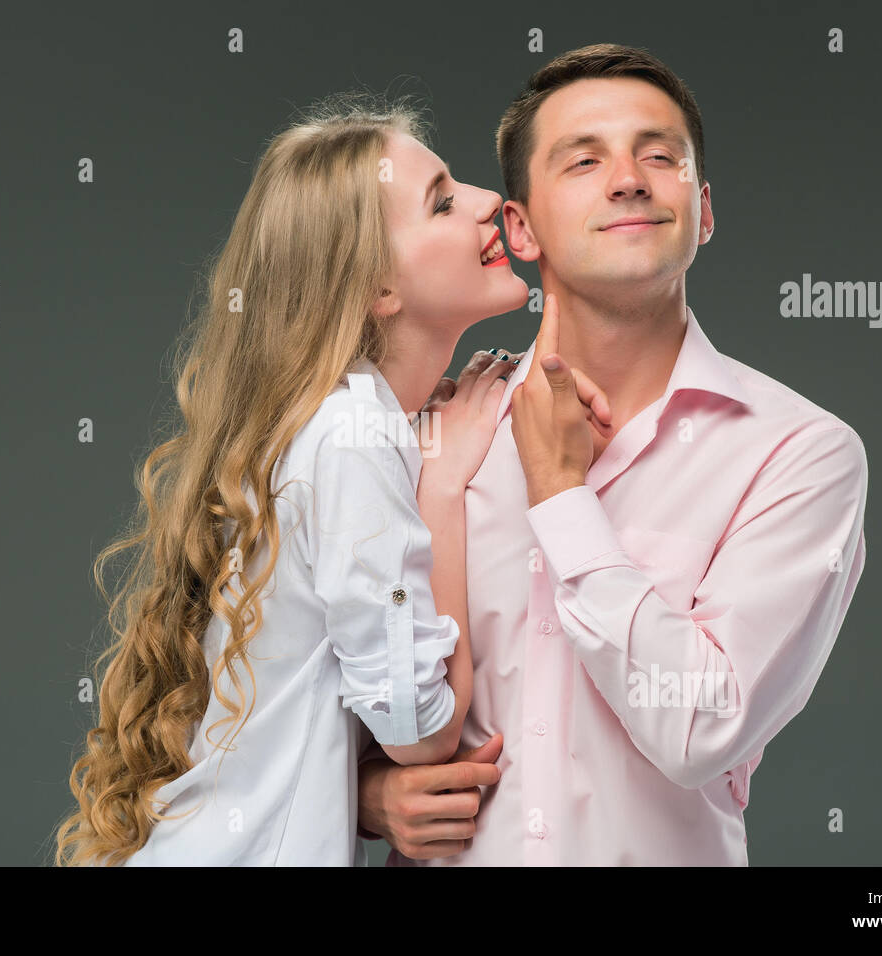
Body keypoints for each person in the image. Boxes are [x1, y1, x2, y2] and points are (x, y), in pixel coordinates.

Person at [52, 93, 609, 866]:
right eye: (443, 202)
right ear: (379, 288)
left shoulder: (337, 426)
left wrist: (368, 793)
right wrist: (441, 491)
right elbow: (421, 727)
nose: (487, 202)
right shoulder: (354, 436)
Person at [357, 43, 870, 866]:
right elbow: (315, 678)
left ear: (702, 211)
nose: (629, 178)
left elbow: (704, 727)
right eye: (583, 160)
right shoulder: (428, 433)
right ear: (518, 228)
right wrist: (369, 794)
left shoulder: (801, 453)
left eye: (659, 156)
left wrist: (560, 493)